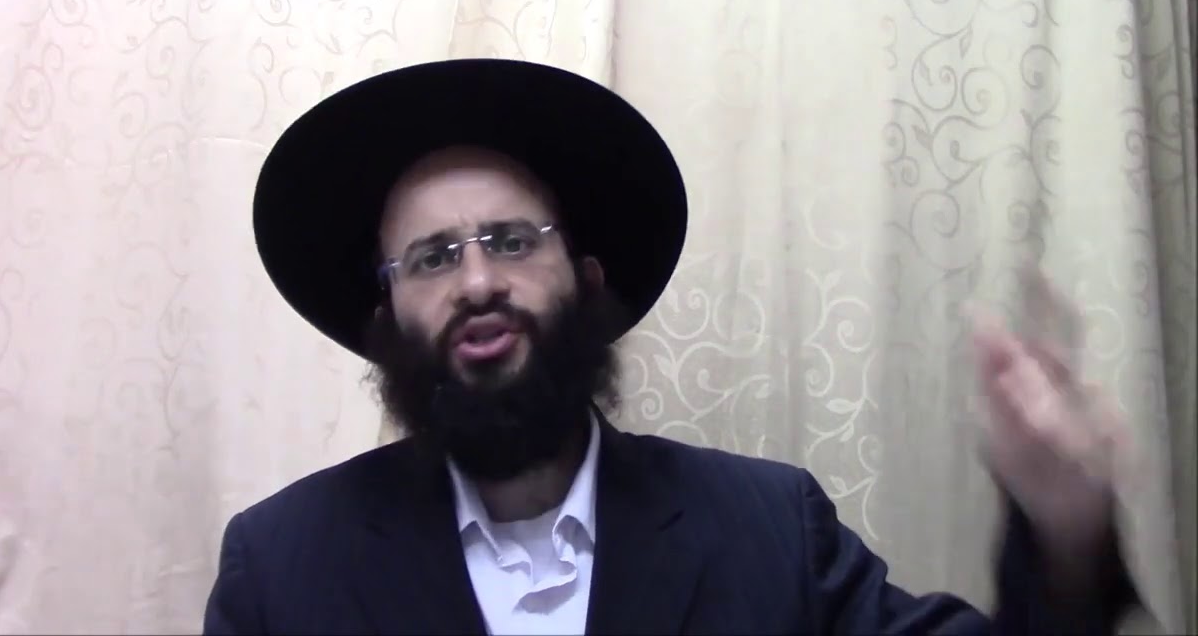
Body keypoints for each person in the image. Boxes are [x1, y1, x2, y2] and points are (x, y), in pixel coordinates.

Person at [203, 59, 1139, 635]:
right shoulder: (282, 565)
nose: (478, 281)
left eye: (514, 241)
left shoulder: (769, 528)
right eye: (433, 258)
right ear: (386, 320)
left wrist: (1068, 539)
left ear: (587, 281)